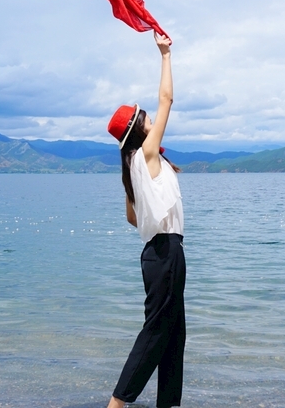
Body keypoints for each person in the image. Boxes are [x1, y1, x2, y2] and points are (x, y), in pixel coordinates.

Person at [105, 32, 185, 408]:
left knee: (173, 337)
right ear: (139, 128)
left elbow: (130, 218)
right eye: (147, 118)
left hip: (157, 254)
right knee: (156, 332)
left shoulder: (133, 166)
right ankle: (118, 403)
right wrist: (165, 55)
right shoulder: (148, 153)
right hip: (166, 252)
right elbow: (167, 98)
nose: (153, 120)